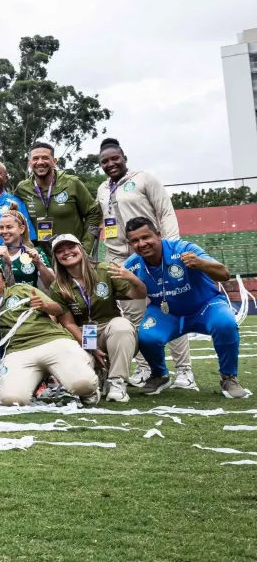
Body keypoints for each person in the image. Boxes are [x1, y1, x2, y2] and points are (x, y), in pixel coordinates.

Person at [96, 138, 194, 390]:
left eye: (114, 158)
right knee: (131, 315)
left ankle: (184, 371)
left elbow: (166, 211)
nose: (110, 163)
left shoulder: (144, 179)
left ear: (124, 157)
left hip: (152, 253)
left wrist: (171, 248)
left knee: (169, 309)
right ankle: (145, 368)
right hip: (119, 257)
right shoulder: (102, 190)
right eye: (104, 161)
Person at [123, 218, 249, 399]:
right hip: (168, 312)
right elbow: (117, 290)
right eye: (135, 241)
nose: (141, 244)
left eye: (146, 237)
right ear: (130, 244)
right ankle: (160, 375)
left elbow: (224, 274)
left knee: (225, 323)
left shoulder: (183, 249)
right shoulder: (132, 265)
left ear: (158, 235)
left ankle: (228, 377)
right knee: (145, 336)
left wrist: (201, 263)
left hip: (205, 307)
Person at [0, 261, 99, 407]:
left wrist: (43, 305)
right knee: (12, 400)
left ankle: (86, 374)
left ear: (4, 280)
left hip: (51, 341)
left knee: (82, 384)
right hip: (18, 351)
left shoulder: (21, 290)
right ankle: (38, 378)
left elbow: (57, 309)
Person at [43, 234, 146, 402]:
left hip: (110, 330)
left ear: (81, 249)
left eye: (71, 247)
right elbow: (68, 323)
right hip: (81, 334)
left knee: (122, 325)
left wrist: (133, 279)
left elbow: (139, 294)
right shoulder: (58, 286)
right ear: (56, 257)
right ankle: (97, 376)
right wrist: (90, 347)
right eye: (60, 251)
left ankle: (117, 382)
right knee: (82, 379)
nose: (67, 252)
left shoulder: (105, 269)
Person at [14, 142, 100, 254]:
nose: (40, 162)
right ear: (30, 163)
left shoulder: (72, 183)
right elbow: (15, 218)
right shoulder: (22, 189)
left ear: (54, 161)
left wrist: (85, 247)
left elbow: (93, 213)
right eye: (35, 158)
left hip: (71, 256)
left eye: (45, 158)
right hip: (39, 259)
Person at [0, 205, 53, 288]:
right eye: (1, 227)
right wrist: (7, 263)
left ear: (22, 229)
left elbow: (51, 285)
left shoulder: (35, 253)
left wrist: (39, 263)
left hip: (30, 300)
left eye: (9, 227)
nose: (4, 231)